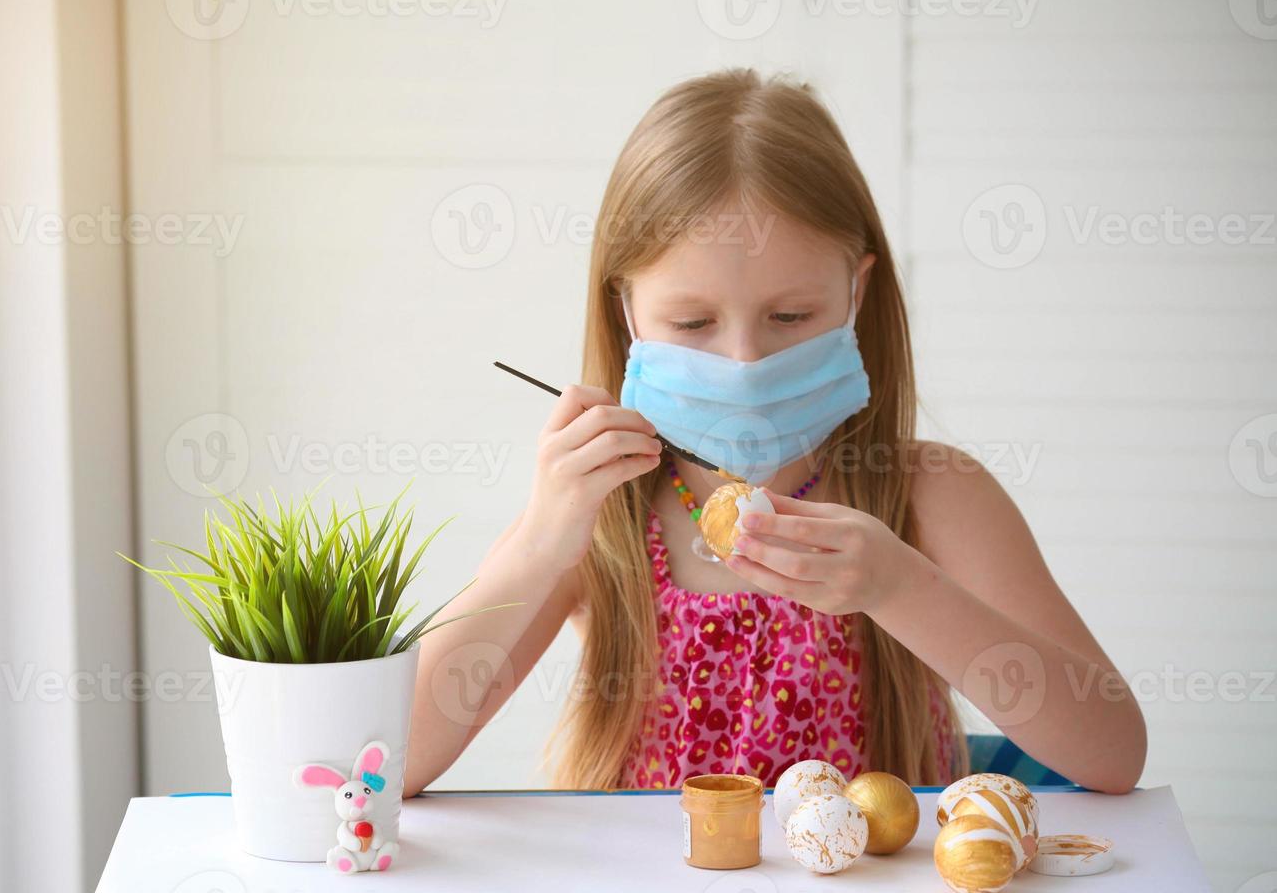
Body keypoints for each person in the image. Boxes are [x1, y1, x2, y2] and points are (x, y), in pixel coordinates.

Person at [405, 69, 1146, 795]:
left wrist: (897, 586)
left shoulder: (931, 495)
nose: (745, 362)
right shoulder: (603, 512)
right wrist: (540, 544)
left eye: (790, 317)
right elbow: (388, 766)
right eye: (692, 323)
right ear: (626, 311)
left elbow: (1112, 755)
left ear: (855, 292)